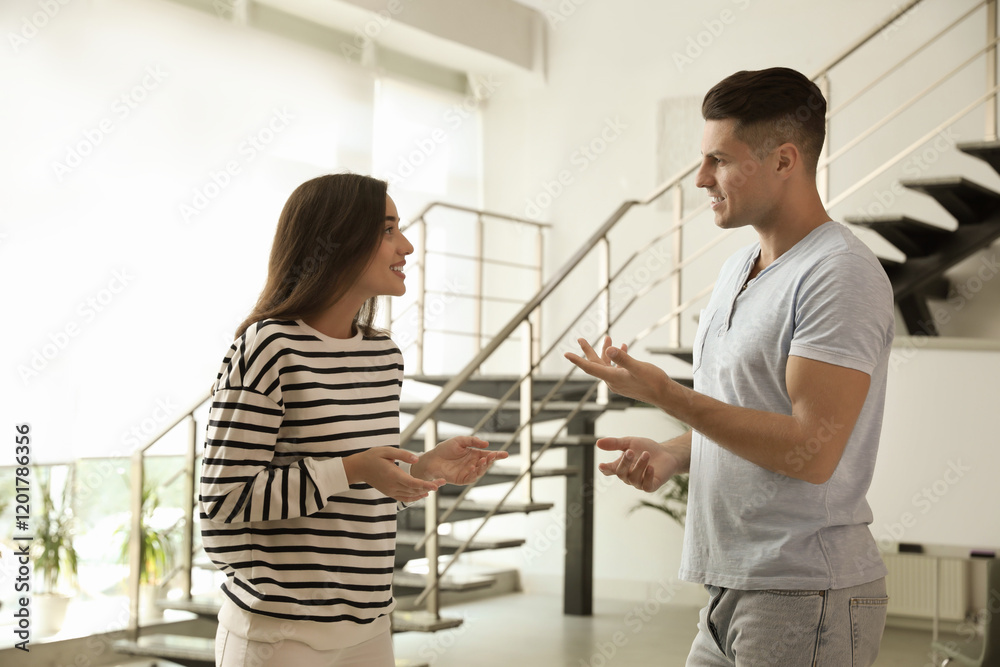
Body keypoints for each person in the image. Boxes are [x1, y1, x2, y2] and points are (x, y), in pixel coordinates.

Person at [566, 67, 895, 666]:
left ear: (783, 160)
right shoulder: (736, 269)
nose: (700, 179)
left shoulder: (840, 274)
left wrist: (666, 393)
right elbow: (751, 412)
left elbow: (811, 451)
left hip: (806, 591)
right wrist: (677, 449)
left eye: (719, 159)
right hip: (728, 588)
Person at [199, 173, 507, 667]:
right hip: (281, 637)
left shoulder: (384, 356)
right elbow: (223, 503)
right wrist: (353, 468)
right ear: (336, 238)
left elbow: (351, 495)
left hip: (370, 629)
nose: (406, 245)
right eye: (387, 229)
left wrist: (418, 471)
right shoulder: (268, 347)